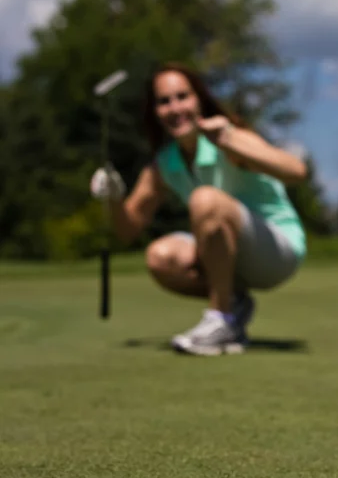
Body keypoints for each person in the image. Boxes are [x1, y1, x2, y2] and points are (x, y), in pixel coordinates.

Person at [90, 61, 307, 356]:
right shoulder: (165, 164)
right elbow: (127, 230)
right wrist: (113, 198)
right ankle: (234, 304)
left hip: (276, 250)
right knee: (160, 257)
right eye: (164, 101)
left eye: (183, 97)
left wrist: (230, 141)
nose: (175, 108)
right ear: (155, 112)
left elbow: (296, 171)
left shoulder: (228, 136)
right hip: (230, 256)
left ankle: (220, 318)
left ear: (199, 100)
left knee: (205, 199)